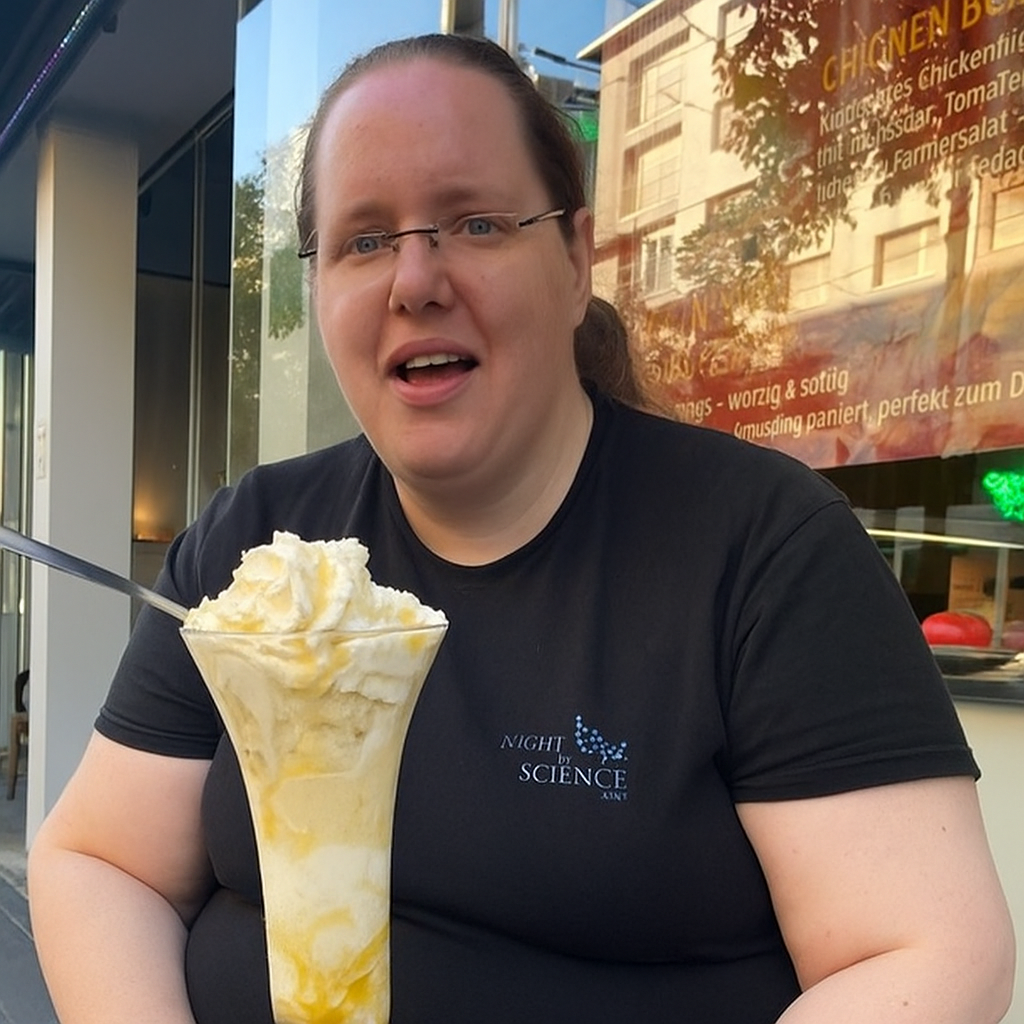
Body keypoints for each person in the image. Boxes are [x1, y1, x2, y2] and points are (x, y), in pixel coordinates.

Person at [28, 32, 1014, 1024]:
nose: (415, 279)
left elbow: (929, 951)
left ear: (576, 260)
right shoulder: (256, 548)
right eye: (364, 240)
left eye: (476, 223)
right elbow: (101, 860)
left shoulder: (761, 550)